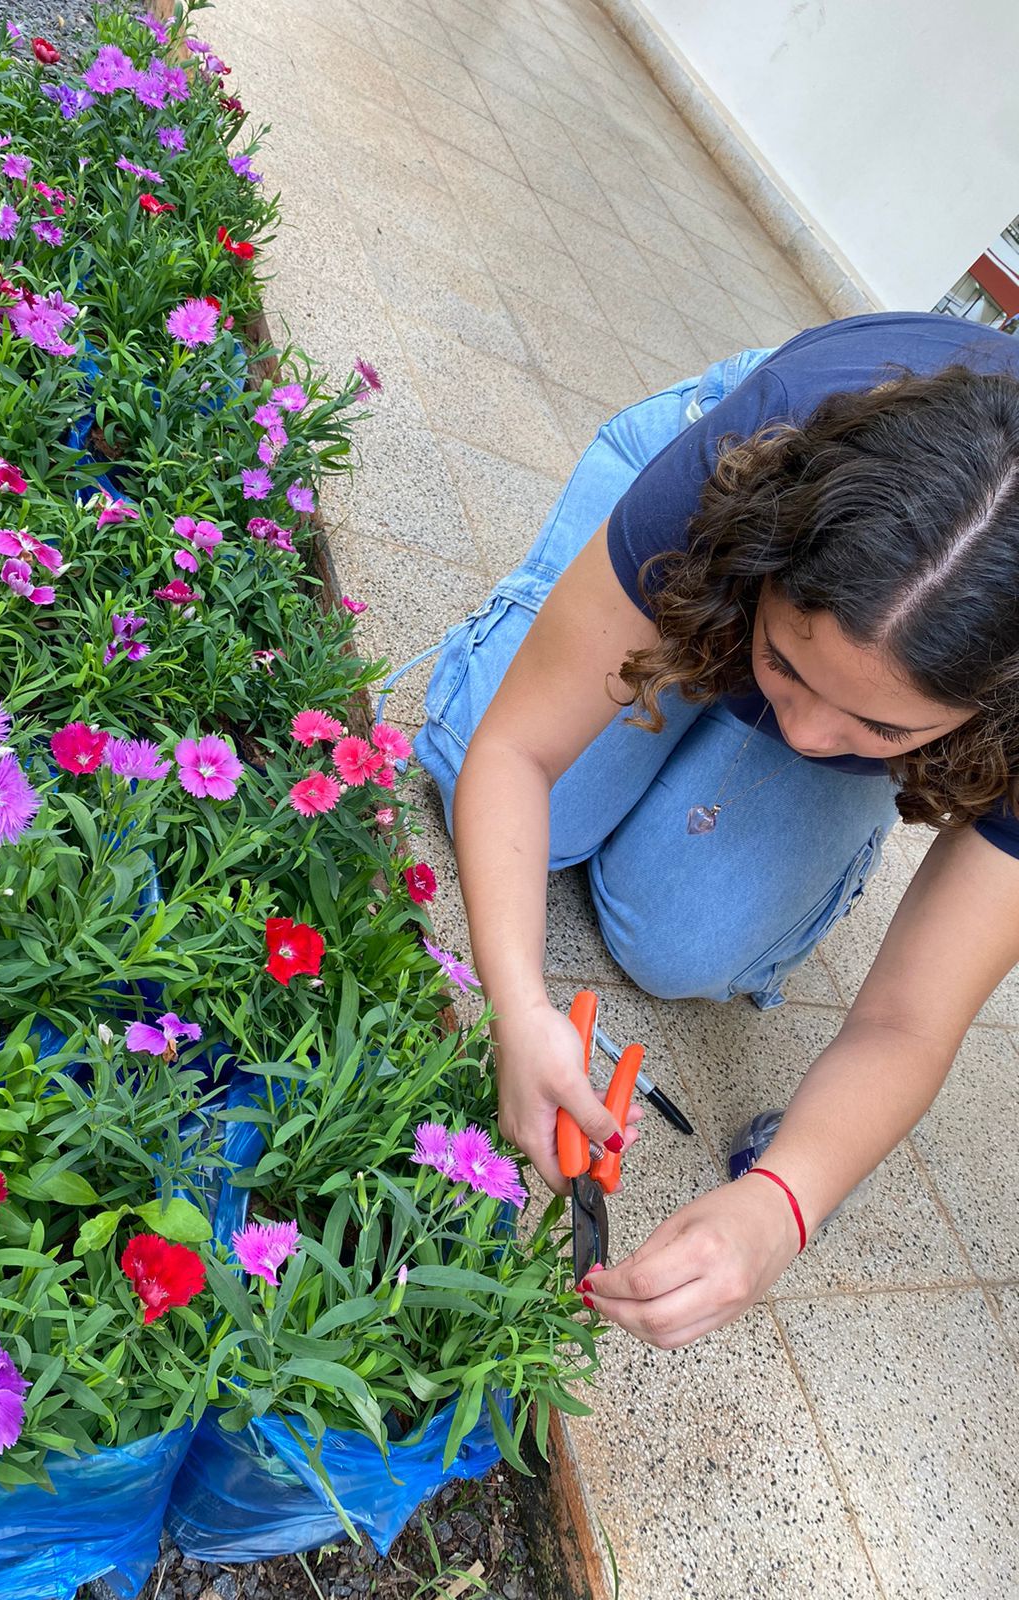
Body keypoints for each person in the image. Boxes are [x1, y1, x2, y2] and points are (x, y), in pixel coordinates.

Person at [408, 313, 1019, 1351]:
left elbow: (911, 1022)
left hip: (870, 631)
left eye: (884, 729)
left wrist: (784, 1204)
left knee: (684, 941)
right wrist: (516, 1003)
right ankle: (617, 616)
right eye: (786, 666)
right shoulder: (763, 452)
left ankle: (817, 697)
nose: (810, 734)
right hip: (743, 506)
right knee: (481, 770)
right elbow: (519, 754)